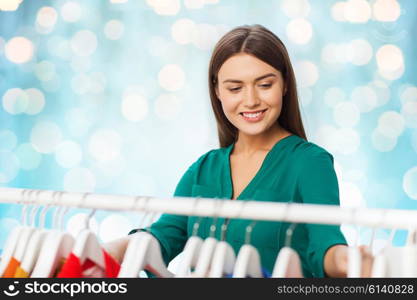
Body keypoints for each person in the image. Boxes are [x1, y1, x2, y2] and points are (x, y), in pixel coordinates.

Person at [105, 24, 373, 277]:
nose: (251, 100)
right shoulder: (203, 169)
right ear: (218, 91)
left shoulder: (310, 163)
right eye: (235, 88)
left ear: (285, 84)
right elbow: (164, 235)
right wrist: (111, 250)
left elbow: (325, 245)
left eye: (265, 85)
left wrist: (349, 262)